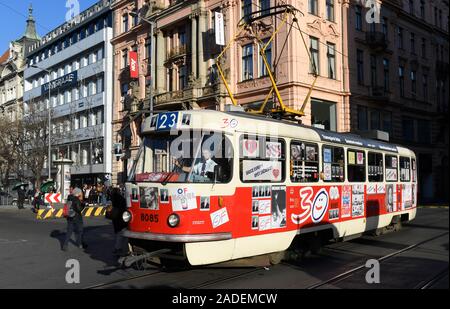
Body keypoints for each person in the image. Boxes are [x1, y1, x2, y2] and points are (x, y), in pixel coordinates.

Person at [62, 187, 87, 251]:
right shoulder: (76, 199)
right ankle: (81, 244)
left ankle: (65, 245)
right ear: (78, 193)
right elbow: (79, 209)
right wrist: (83, 205)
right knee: (80, 230)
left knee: (69, 231)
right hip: (77, 217)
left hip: (69, 217)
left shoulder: (69, 197)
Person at [110, 187, 129, 256]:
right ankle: (119, 248)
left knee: (119, 233)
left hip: (115, 217)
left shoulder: (113, 197)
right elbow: (124, 206)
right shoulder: (120, 198)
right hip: (121, 217)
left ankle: (118, 247)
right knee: (122, 233)